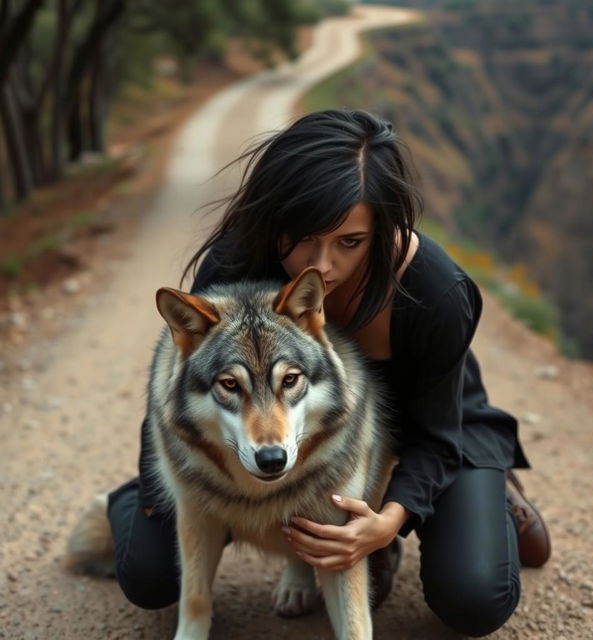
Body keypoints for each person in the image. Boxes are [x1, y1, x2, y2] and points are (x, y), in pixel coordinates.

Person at [104, 109, 551, 637]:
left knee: (475, 599)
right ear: (277, 217)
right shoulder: (238, 261)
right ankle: (126, 499)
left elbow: (436, 432)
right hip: (296, 441)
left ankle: (491, 492)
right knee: (149, 578)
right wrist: (167, 496)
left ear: (385, 227)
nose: (322, 265)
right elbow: (179, 389)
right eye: (303, 237)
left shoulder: (436, 292)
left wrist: (387, 524)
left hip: (430, 432)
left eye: (350, 241)